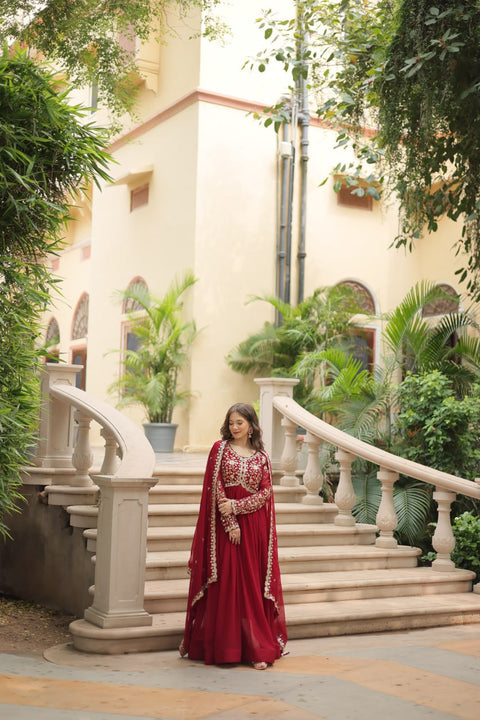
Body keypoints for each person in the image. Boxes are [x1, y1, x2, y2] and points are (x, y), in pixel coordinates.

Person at [179, 402, 287, 670]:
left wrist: (238, 507)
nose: (235, 427)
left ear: (251, 425)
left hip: (254, 528)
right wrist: (230, 522)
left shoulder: (262, 457)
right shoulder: (220, 450)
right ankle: (226, 648)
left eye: (240, 422)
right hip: (225, 529)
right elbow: (215, 487)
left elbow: (265, 493)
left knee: (251, 584)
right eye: (231, 423)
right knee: (227, 583)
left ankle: (256, 648)